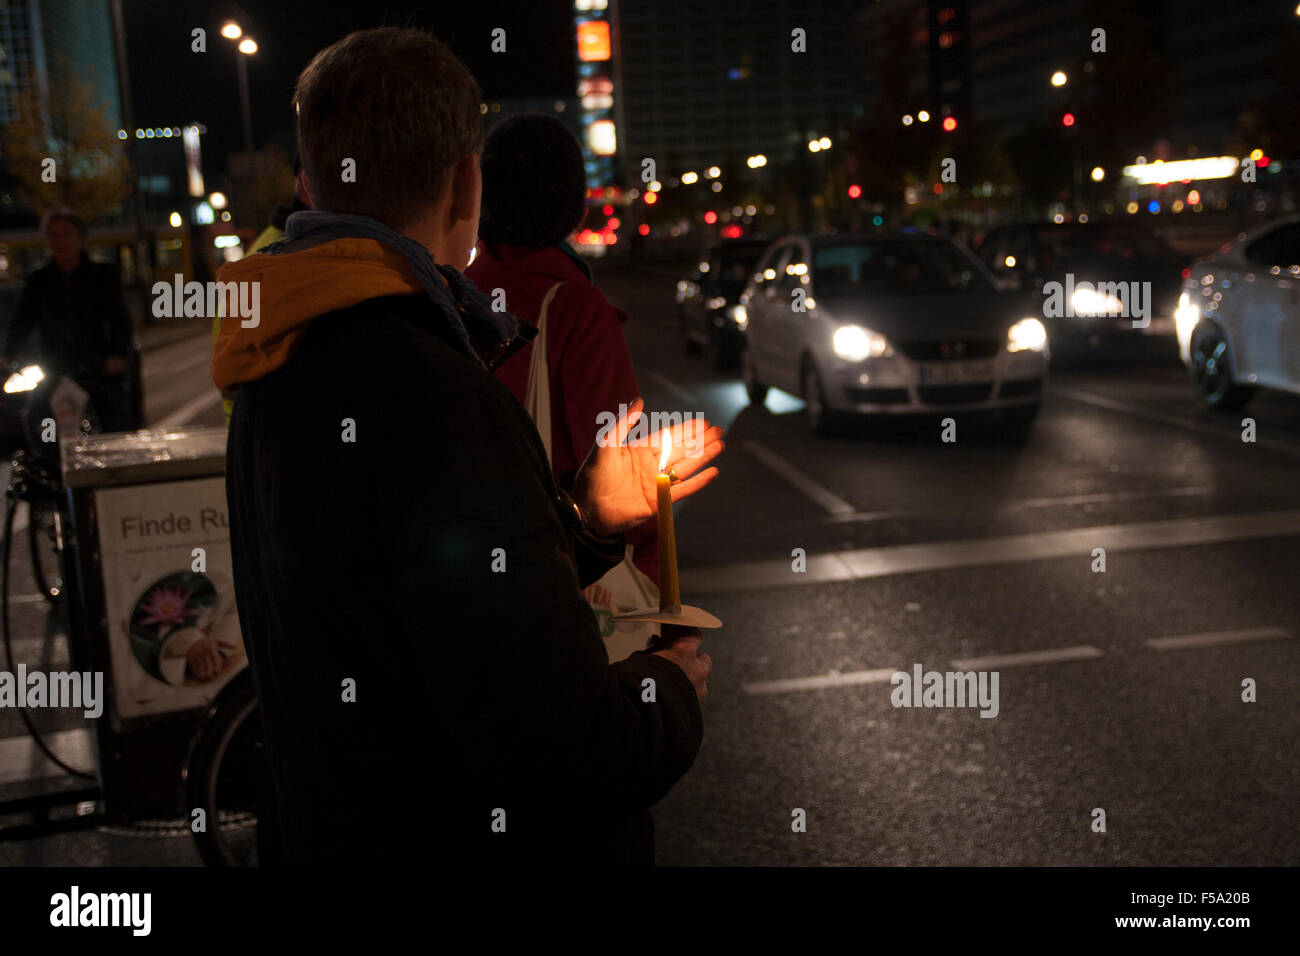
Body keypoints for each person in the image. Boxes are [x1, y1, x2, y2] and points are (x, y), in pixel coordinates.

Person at [213, 27, 725, 867]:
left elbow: (409, 602)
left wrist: (586, 523)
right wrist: (668, 695)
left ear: (310, 180)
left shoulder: (271, 357)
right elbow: (564, 753)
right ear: (465, 185)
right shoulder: (435, 389)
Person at [467, 114, 660, 584]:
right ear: (575, 209)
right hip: (562, 571)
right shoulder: (573, 305)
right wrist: (653, 569)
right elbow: (616, 462)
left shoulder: (455, 295)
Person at [1, 208, 138, 434]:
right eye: (53, 235)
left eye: (67, 233)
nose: (60, 241)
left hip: (96, 365)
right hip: (55, 366)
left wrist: (118, 355)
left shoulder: (102, 275)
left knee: (116, 421)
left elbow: (118, 318)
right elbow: (22, 321)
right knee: (36, 419)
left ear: (80, 239)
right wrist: (7, 356)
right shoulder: (39, 280)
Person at [212, 156, 311, 424]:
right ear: (306, 184)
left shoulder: (269, 249)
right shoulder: (283, 255)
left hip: (257, 435)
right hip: (272, 434)